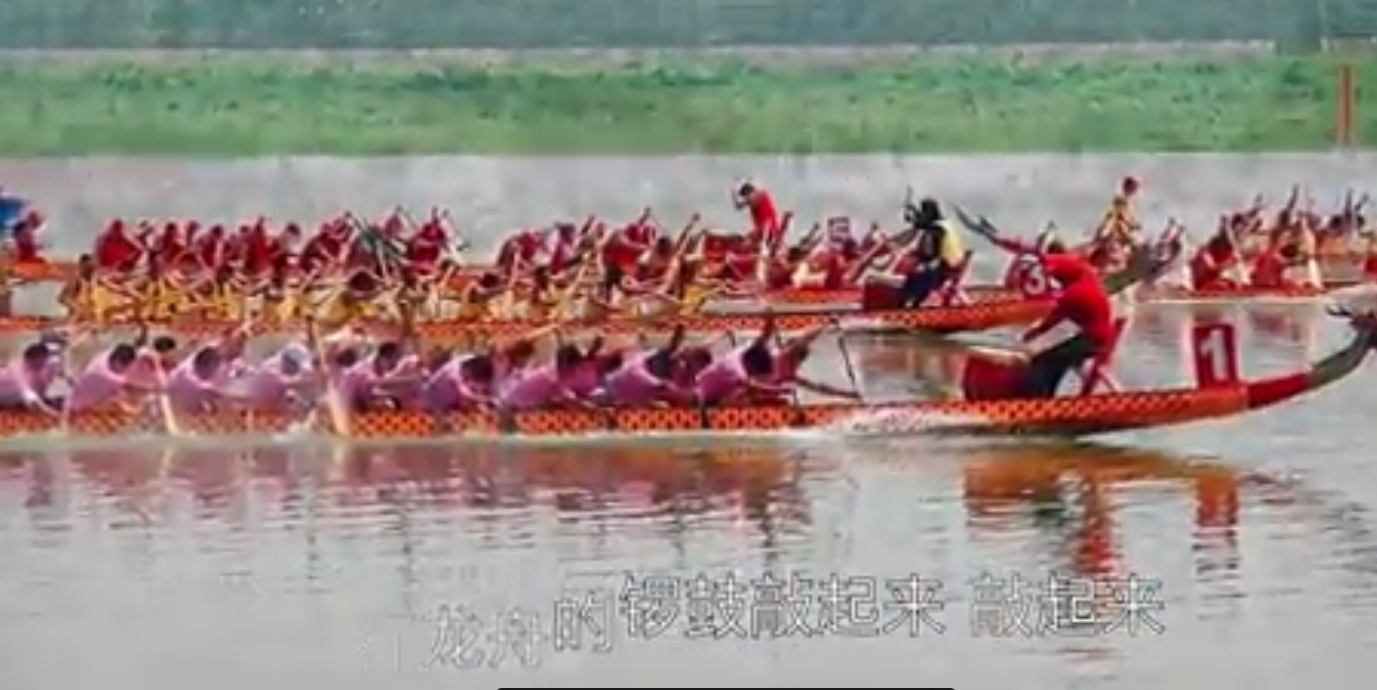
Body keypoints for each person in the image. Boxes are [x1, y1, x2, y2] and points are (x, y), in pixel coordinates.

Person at [1016, 252, 1116, 398]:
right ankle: (1046, 395)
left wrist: (1034, 333)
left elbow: (1054, 321)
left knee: (1042, 360)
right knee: (1053, 360)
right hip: (1087, 331)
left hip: (1091, 339)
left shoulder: (1076, 292)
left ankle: (1033, 397)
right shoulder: (1084, 274)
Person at [896, 198, 964, 308]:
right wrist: (914, 211)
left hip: (940, 272)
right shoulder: (943, 224)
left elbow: (923, 225)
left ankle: (905, 306)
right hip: (947, 268)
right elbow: (924, 223)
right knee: (915, 276)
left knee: (911, 280)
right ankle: (913, 304)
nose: (923, 215)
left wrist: (913, 216)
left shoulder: (938, 229)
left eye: (924, 211)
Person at [733, 182, 782, 250]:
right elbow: (738, 206)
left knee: (745, 243)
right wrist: (734, 197)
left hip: (770, 231)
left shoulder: (761, 196)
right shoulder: (753, 199)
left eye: (746, 196)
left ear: (751, 192)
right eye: (745, 197)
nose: (746, 199)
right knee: (740, 241)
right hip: (761, 232)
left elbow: (746, 204)